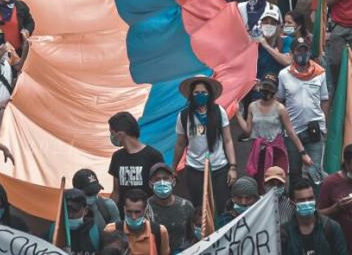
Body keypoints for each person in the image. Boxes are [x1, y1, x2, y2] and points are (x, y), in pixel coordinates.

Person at [172, 76, 237, 216]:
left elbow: (228, 140)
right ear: (191, 95)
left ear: (209, 94)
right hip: (194, 169)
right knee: (200, 211)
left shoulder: (219, 112)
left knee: (223, 208)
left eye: (203, 92)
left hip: (219, 168)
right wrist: (174, 168)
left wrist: (232, 167)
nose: (200, 95)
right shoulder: (184, 116)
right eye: (196, 92)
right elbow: (180, 144)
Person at [236, 73, 312, 191]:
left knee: (278, 183)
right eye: (265, 86)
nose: (267, 90)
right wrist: (237, 114)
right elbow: (248, 131)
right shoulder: (252, 106)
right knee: (260, 185)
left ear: (276, 90)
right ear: (260, 86)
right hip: (259, 151)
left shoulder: (280, 108)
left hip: (277, 151)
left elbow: (291, 132)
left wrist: (303, 153)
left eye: (270, 87)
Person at [277, 41, 329, 183]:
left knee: (315, 172)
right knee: (295, 172)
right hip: (293, 131)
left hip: (315, 129)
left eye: (305, 50)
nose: (302, 54)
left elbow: (324, 100)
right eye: (299, 51)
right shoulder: (284, 75)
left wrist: (324, 124)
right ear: (291, 54)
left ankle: (316, 197)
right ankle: (295, 197)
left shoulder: (320, 73)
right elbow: (280, 100)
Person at [108, 111, 165, 209]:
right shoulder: (117, 156)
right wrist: (111, 212)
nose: (111, 137)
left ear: (120, 134)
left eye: (112, 133)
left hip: (147, 213)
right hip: (124, 214)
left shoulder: (153, 156)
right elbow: (116, 192)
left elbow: (160, 190)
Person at [281, 178, 348, 254]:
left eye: (310, 198)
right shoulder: (285, 233)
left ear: (315, 199)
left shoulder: (331, 227)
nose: (307, 203)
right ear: (292, 203)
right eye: (301, 200)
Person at [104, 189, 170, 255]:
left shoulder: (159, 231)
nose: (133, 217)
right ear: (124, 209)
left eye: (137, 212)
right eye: (129, 212)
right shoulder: (111, 230)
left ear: (145, 210)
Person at [146, 163, 194, 253]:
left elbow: (192, 237)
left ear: (173, 181)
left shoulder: (186, 206)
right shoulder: (145, 208)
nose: (162, 182)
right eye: (157, 179)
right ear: (150, 184)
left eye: (165, 178)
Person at [47, 188, 102, 254]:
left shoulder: (93, 230)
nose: (70, 215)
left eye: (75, 210)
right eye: (67, 210)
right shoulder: (55, 229)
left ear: (85, 211)